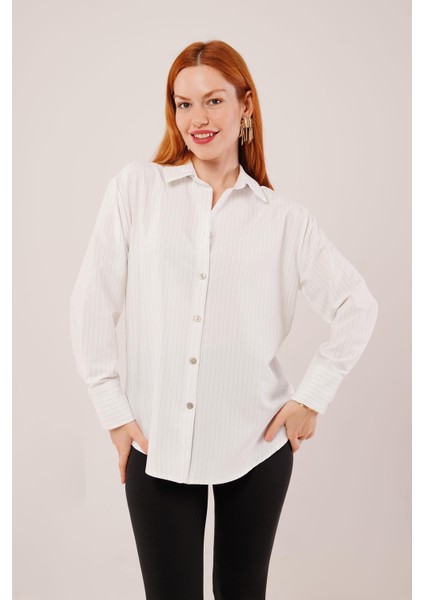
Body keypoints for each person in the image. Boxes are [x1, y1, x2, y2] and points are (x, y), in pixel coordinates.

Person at [69, 39, 378, 600]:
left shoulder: (285, 221)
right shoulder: (136, 190)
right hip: (156, 445)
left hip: (256, 447)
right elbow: (92, 302)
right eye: (184, 104)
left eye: (213, 100)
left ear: (245, 105)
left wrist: (311, 398)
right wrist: (113, 410)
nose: (198, 119)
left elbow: (358, 305)